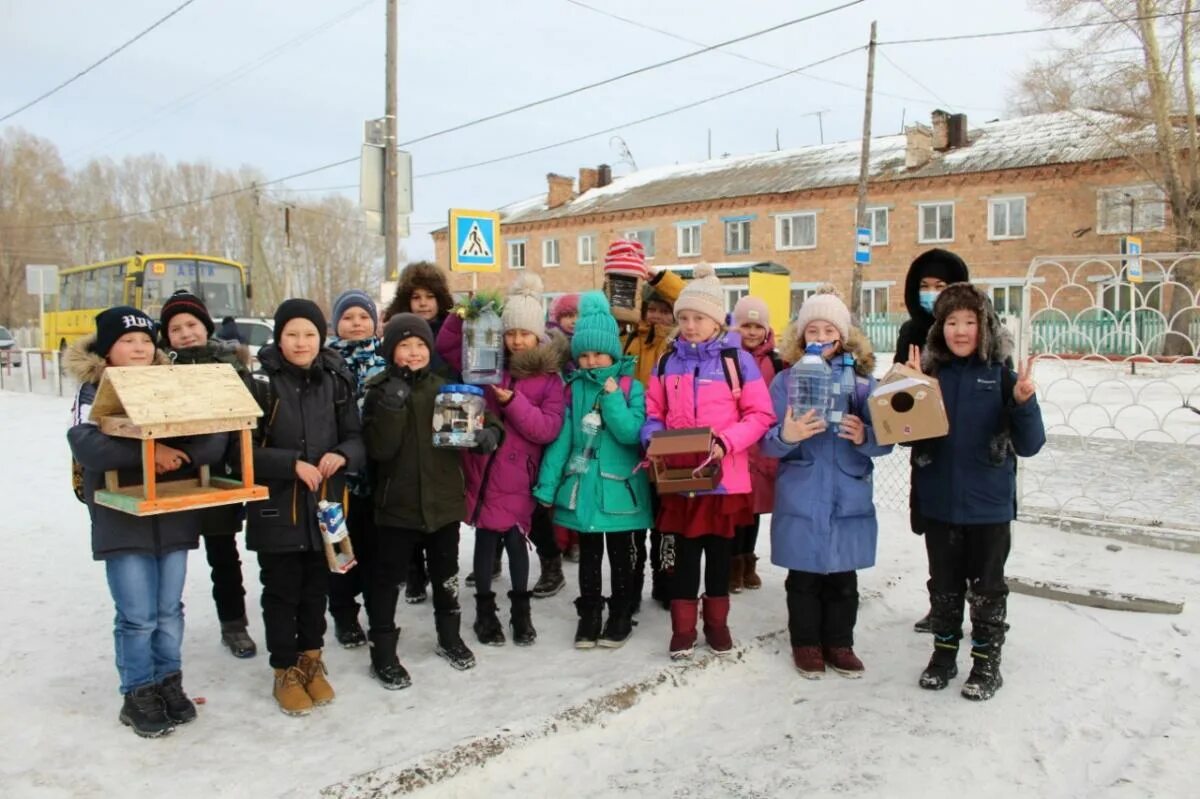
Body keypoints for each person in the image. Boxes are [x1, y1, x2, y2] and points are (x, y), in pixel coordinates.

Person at [67, 306, 227, 737]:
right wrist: (149, 453)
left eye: (145, 341)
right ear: (107, 349)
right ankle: (138, 690)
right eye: (127, 341)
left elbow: (215, 434)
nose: (139, 348)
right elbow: (87, 445)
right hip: (122, 516)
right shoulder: (91, 390)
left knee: (169, 610)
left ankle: (168, 682)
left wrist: (184, 457)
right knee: (137, 615)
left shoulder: (171, 384)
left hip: (171, 514)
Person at [908, 283, 1044, 701]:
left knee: (987, 589)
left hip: (988, 508)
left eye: (969, 321)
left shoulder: (1002, 378)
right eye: (951, 322)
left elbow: (1031, 444)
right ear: (940, 329)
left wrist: (1024, 401)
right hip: (939, 504)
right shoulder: (929, 378)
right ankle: (944, 656)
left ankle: (987, 663)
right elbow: (905, 437)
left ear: (984, 327)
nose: (960, 331)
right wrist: (906, 393)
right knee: (943, 586)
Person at [640, 264, 775, 660]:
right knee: (683, 556)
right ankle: (683, 629)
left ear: (716, 320)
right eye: (683, 318)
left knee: (718, 557)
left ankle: (717, 624)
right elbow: (653, 411)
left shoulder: (737, 362)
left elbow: (760, 415)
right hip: (680, 479)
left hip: (724, 480)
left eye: (698, 318)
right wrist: (652, 438)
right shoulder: (668, 363)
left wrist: (726, 442)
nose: (690, 325)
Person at [361, 314, 502, 685]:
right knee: (388, 579)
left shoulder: (445, 388)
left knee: (446, 574)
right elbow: (379, 449)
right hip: (397, 505)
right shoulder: (378, 391)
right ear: (392, 351)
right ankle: (383, 650)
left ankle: (449, 636)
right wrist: (392, 405)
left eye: (420, 345)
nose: (413, 352)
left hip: (443, 503)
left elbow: (481, 422)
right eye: (404, 346)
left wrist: (488, 434)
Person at [242, 299, 365, 716]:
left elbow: (355, 436)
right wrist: (288, 464)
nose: (301, 342)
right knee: (281, 593)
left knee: (317, 590)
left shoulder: (336, 379)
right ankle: (284, 670)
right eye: (292, 334)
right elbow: (239, 452)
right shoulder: (259, 381)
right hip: (278, 508)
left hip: (325, 508)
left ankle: (311, 662)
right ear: (279, 336)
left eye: (309, 334)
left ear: (321, 336)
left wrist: (343, 454)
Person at [761, 288, 892, 678]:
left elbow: (887, 441)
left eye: (828, 329)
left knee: (843, 578)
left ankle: (840, 643)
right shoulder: (786, 381)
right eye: (811, 330)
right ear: (801, 338)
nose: (819, 336)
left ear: (844, 335)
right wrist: (789, 435)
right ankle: (805, 643)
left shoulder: (864, 384)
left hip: (846, 493)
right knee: (803, 578)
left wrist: (864, 435)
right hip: (802, 491)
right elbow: (765, 442)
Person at [437, 274, 567, 647]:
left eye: (524, 333)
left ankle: (520, 613)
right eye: (510, 333)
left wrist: (513, 402)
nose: (517, 340)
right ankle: (484, 612)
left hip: (520, 474)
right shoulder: (486, 361)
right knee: (485, 539)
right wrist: (464, 315)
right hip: (483, 466)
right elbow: (446, 348)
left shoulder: (548, 378)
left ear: (538, 334)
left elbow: (547, 428)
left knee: (516, 540)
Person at [534, 292, 653, 648]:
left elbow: (631, 433)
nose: (590, 361)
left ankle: (620, 614)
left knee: (620, 559)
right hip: (582, 489)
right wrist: (547, 485)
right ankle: (589, 615)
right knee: (588, 560)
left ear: (613, 353)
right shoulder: (572, 391)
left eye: (598, 353)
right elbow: (561, 441)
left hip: (620, 492)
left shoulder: (632, 388)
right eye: (583, 355)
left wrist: (614, 396)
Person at [158, 290, 258, 659]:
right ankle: (163, 628)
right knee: (168, 557)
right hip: (173, 473)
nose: (185, 333)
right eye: (176, 328)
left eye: (192, 324)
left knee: (223, 555)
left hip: (220, 473)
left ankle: (234, 624)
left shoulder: (231, 365)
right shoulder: (157, 369)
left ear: (206, 327)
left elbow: (248, 418)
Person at [895, 248, 970, 633]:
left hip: (973, 452)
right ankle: (941, 606)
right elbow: (896, 400)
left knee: (976, 538)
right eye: (924, 286)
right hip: (930, 453)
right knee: (938, 537)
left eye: (941, 285)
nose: (932, 293)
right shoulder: (911, 333)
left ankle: (978, 605)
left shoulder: (974, 329)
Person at [613, 241, 687, 612]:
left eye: (665, 309)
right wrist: (624, 278)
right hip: (629, 442)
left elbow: (693, 300)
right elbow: (609, 305)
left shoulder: (680, 344)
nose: (658, 316)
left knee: (666, 521)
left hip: (668, 443)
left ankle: (666, 580)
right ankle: (631, 583)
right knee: (632, 519)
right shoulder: (628, 337)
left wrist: (658, 277)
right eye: (652, 308)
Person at [383, 262, 457, 604]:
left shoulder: (451, 331)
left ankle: (439, 577)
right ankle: (414, 571)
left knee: (436, 499)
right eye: (416, 296)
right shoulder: (394, 331)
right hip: (401, 418)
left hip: (440, 418)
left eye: (430, 296)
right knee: (407, 498)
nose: (424, 303)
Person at [325, 289, 387, 649]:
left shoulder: (386, 360)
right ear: (336, 323)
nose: (356, 324)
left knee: (373, 548)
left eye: (363, 317)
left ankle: (375, 613)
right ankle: (344, 615)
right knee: (340, 550)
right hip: (338, 477)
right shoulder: (326, 362)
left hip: (377, 475)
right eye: (348, 318)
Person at [729, 296, 786, 593]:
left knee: (753, 511)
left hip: (762, 444)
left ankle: (747, 560)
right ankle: (732, 563)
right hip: (736, 442)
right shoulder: (727, 356)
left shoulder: (776, 362)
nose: (751, 332)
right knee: (734, 508)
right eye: (745, 326)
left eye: (757, 326)